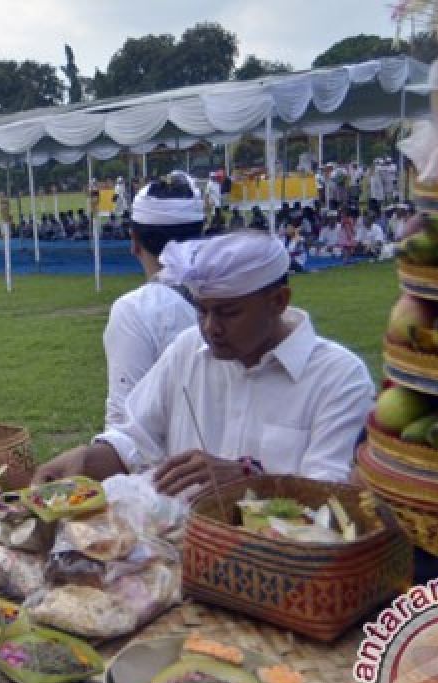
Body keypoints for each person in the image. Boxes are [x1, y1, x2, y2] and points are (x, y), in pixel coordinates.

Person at [32, 232, 374, 496]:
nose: (211, 327)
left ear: (278, 301)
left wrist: (251, 481)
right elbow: (135, 440)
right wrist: (86, 459)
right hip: (174, 560)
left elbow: (334, 497)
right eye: (202, 310)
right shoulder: (187, 350)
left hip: (279, 570)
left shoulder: (339, 378)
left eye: (228, 312)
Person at [102, 172, 203, 428]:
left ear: (134, 241)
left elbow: (125, 418)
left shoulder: (136, 309)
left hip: (172, 464)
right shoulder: (239, 297)